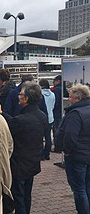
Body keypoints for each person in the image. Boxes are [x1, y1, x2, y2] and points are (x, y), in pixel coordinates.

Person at [0, 82, 48, 214]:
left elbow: (12, 124)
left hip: (19, 165)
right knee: (27, 195)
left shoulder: (22, 119)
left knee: (18, 197)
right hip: (33, 162)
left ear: (26, 98)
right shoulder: (42, 116)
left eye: (20, 94)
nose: (18, 96)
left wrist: (0, 112)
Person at [55, 84, 90, 214]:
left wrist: (67, 151)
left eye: (70, 97)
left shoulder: (75, 114)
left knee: (79, 189)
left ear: (78, 98)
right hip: (87, 155)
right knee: (87, 186)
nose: (68, 99)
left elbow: (70, 136)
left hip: (77, 156)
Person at [39, 79, 55, 160]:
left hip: (41, 118)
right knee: (48, 136)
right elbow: (53, 106)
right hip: (50, 117)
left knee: (40, 137)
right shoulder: (52, 94)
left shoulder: (40, 94)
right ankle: (47, 154)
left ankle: (41, 155)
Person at [52, 75, 62, 152]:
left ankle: (57, 147)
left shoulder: (56, 90)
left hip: (56, 113)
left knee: (56, 130)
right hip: (62, 112)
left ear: (58, 81)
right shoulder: (64, 88)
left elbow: (56, 103)